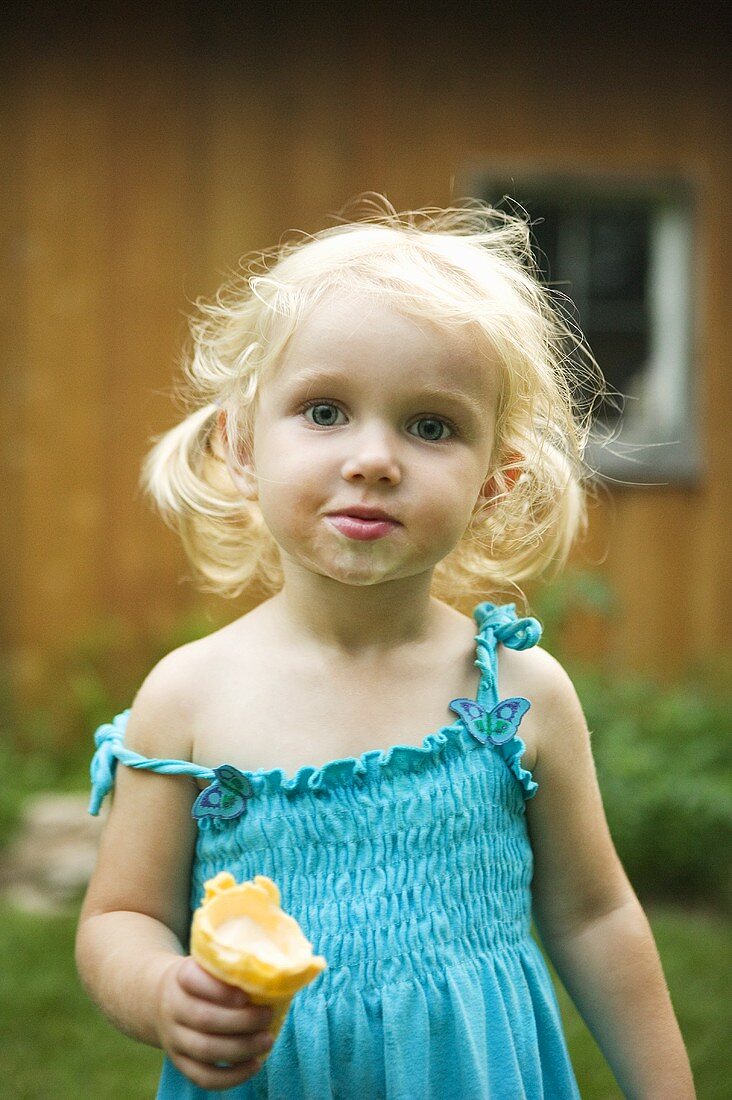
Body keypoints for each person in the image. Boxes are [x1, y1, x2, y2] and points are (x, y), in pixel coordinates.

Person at [76, 199, 695, 1099]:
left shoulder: (520, 694)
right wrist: (161, 990)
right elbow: (122, 916)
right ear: (241, 444)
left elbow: (595, 916)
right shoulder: (190, 696)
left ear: (495, 482)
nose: (374, 458)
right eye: (325, 411)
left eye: (431, 425)